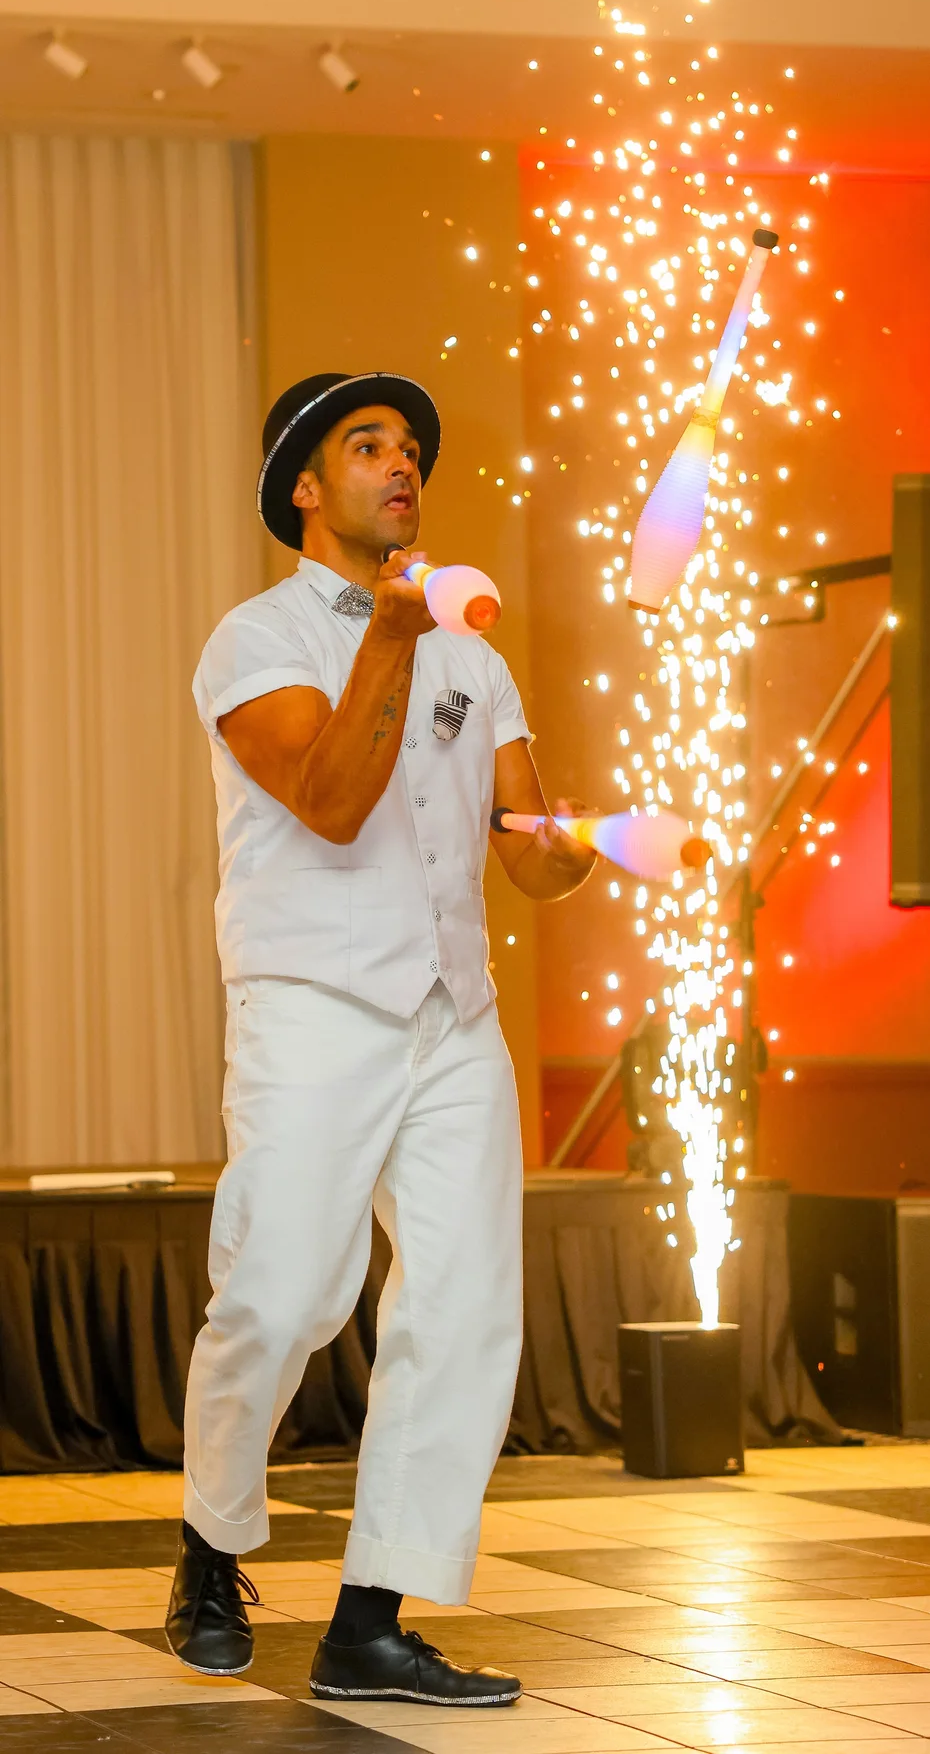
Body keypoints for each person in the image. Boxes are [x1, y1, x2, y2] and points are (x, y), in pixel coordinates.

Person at [166, 371, 597, 1707]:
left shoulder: (476, 654)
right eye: (367, 446)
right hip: (309, 1004)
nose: (400, 466)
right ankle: (211, 1538)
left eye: (410, 448)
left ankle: (369, 1619)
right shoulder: (255, 642)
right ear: (304, 485)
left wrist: (570, 850)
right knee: (288, 1294)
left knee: (462, 1311)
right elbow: (336, 803)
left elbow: (524, 856)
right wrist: (400, 634)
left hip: (451, 1016)